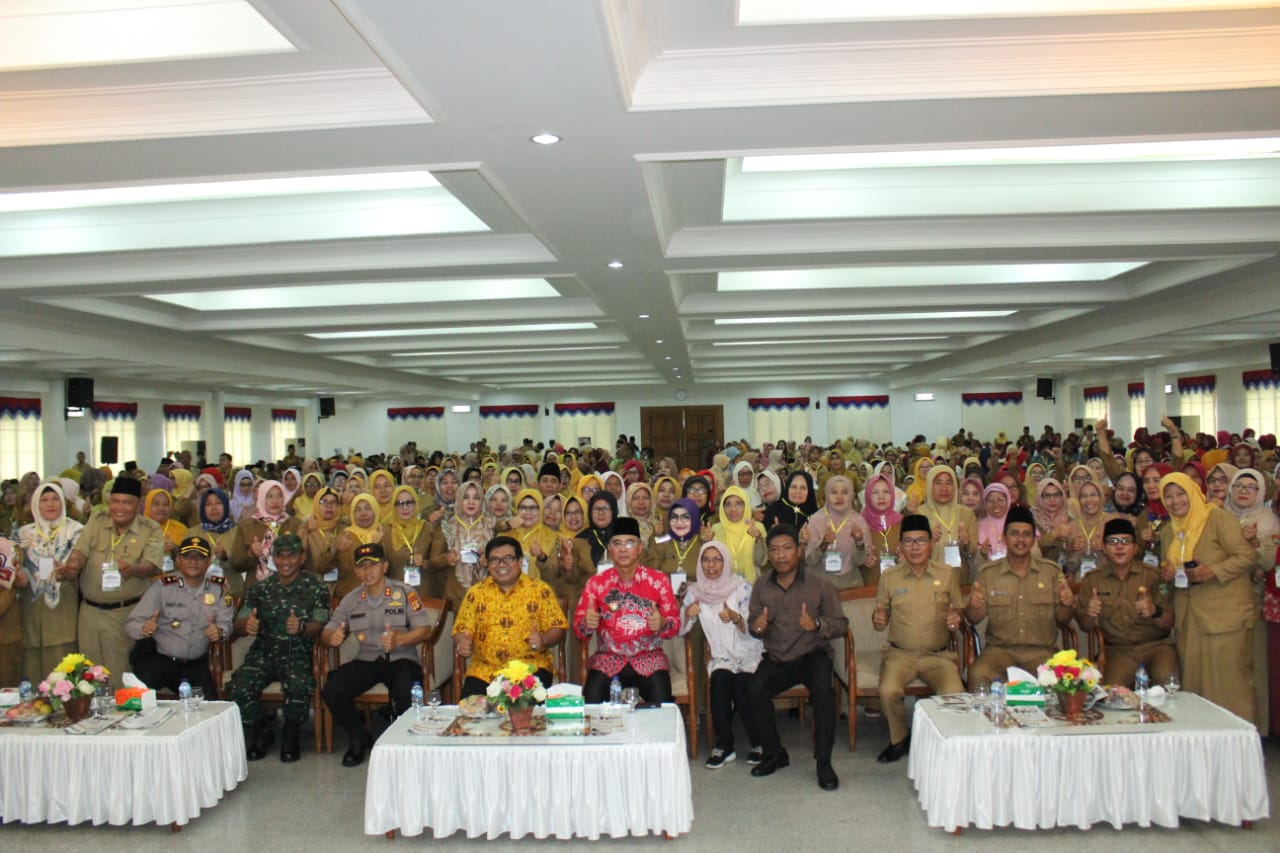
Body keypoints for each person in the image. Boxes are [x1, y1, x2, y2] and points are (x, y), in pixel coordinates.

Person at [745, 524, 849, 791]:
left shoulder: (820, 583)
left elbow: (840, 624)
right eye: (775, 550)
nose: (780, 555)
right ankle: (774, 754)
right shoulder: (761, 585)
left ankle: (823, 762)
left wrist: (816, 624)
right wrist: (757, 627)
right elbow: (754, 626)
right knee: (754, 689)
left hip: (812, 654)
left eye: (787, 548)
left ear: (800, 551)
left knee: (825, 695)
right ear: (768, 554)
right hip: (778, 657)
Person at [322, 542, 435, 767]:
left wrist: (399, 639)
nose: (367, 571)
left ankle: (405, 744)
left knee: (405, 690)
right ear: (356, 571)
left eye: (373, 565)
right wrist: (330, 637)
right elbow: (329, 628)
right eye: (362, 567)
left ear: (385, 566)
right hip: (367, 659)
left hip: (401, 657)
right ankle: (358, 736)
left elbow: (424, 630)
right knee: (333, 688)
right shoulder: (351, 599)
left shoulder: (405, 593)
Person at [1157, 470, 1257, 723]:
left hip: (1225, 616)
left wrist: (1212, 572)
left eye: (1181, 493)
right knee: (1195, 688)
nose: (1175, 501)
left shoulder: (1217, 518)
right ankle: (1203, 748)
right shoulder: (1169, 530)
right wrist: (1166, 574)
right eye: (1168, 496)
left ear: (1193, 491)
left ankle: (1238, 751)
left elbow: (1246, 556)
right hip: (1189, 619)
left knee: (1230, 685)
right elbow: (1170, 577)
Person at [229, 534, 329, 763]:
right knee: (239, 687)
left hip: (297, 652)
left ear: (301, 558)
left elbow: (320, 623)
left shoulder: (316, 588)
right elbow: (240, 621)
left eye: (291, 556)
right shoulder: (259, 589)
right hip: (263, 653)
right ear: (273, 558)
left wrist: (302, 627)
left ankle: (290, 735)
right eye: (280, 556)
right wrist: (247, 624)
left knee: (298, 685)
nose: (285, 561)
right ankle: (259, 731)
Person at [872, 514, 965, 763]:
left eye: (920, 541)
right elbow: (879, 616)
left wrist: (957, 618)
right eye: (909, 541)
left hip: (938, 655)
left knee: (955, 694)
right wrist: (878, 620)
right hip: (900, 655)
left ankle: (944, 741)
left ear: (931, 543)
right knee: (888, 691)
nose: (915, 547)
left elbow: (959, 610)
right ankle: (899, 739)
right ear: (900, 545)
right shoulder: (889, 577)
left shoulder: (947, 574)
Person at [63, 477, 164, 688]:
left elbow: (152, 565)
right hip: (89, 613)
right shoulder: (98, 520)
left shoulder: (150, 529)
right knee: (89, 676)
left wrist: (133, 570)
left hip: (124, 614)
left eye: (126, 502)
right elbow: (81, 549)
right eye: (115, 501)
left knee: (121, 676)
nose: (119, 508)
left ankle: (124, 719)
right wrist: (73, 565)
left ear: (138, 504)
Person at [965, 506, 1076, 690]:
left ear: (1034, 540)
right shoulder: (988, 573)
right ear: (1004, 537)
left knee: (1061, 681)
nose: (1021, 539)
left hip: (1042, 652)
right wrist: (974, 605)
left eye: (1027, 534)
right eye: (1015, 533)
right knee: (978, 675)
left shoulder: (1050, 571)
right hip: (999, 652)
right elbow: (973, 618)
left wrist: (1067, 604)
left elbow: (1064, 618)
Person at [573, 517, 680, 703]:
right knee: (591, 701)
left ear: (640, 548)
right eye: (617, 543)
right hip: (608, 659)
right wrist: (586, 624)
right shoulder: (597, 583)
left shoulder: (658, 581)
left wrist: (663, 623)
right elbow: (579, 631)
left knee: (663, 704)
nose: (623, 549)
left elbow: (674, 626)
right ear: (610, 549)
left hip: (649, 659)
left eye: (629, 543)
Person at [680, 541, 763, 769]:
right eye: (706, 559)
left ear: (725, 562)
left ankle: (759, 742)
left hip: (748, 653)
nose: (711, 565)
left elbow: (756, 629)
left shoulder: (742, 587)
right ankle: (725, 745)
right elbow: (680, 629)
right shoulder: (695, 592)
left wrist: (736, 618)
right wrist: (688, 614)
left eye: (717, 559)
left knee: (741, 686)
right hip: (721, 656)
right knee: (719, 682)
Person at [452, 536, 567, 698]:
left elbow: (558, 627)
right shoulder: (476, 593)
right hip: (484, 671)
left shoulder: (539, 590)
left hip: (530, 668)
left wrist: (543, 639)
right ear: (488, 564)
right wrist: (462, 642)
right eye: (495, 560)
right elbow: (461, 629)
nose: (501, 565)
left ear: (520, 561)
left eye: (508, 559)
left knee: (525, 714)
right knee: (469, 715)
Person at [124, 536, 233, 698]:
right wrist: (144, 628)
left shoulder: (219, 588)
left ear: (209, 561)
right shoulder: (162, 587)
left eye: (200, 557)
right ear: (178, 560)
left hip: (195, 664)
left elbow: (226, 623)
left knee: (210, 706)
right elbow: (131, 623)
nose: (193, 562)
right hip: (159, 660)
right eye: (188, 556)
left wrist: (220, 632)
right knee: (135, 699)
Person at [1076, 518, 1176, 687]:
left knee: (1168, 686)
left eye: (1125, 541)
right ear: (1104, 548)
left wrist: (1155, 611)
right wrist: (1089, 613)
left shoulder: (1153, 575)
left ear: (1135, 548)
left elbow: (1169, 623)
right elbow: (1085, 626)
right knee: (1113, 696)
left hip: (1157, 647)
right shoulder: (1093, 580)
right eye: (1113, 541)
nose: (1119, 546)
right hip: (1118, 650)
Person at [12, 482, 84, 680]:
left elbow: (86, 569)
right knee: (34, 668)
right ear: (35, 504)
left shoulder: (77, 532)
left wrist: (70, 571)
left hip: (65, 608)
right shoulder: (23, 535)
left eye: (55, 499)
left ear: (63, 502)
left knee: (64, 667)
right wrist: (20, 578)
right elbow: (20, 568)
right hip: (32, 609)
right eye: (44, 500)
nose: (50, 504)